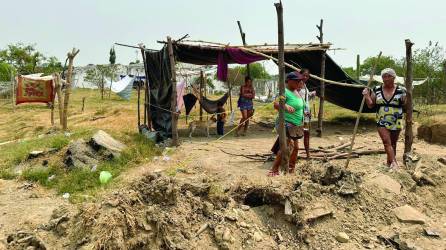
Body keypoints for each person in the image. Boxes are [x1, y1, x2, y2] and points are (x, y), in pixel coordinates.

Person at [362, 68, 406, 169]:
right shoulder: (376, 89)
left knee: (393, 143)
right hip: (381, 120)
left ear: (394, 78)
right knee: (386, 142)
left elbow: (406, 105)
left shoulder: (401, 90)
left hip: (397, 120)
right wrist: (366, 95)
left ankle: (389, 164)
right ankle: (394, 163)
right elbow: (370, 105)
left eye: (388, 76)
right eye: (383, 77)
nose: (385, 79)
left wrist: (406, 98)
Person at [268, 72, 306, 176]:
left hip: (297, 124)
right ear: (289, 81)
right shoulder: (284, 92)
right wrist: (285, 106)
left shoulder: (297, 92)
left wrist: (305, 112)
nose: (299, 82)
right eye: (297, 81)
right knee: (287, 146)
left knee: (296, 148)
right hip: (285, 123)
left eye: (300, 81)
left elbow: (300, 106)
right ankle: (274, 169)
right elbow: (276, 104)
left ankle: (291, 168)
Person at [297, 69, 316, 159]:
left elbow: (305, 97)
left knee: (307, 133)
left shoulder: (304, 85)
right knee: (296, 134)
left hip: (306, 114)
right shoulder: (297, 85)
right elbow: (297, 98)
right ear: (300, 75)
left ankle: (308, 154)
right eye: (303, 75)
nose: (305, 77)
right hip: (299, 114)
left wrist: (310, 94)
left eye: (307, 76)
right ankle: (294, 153)